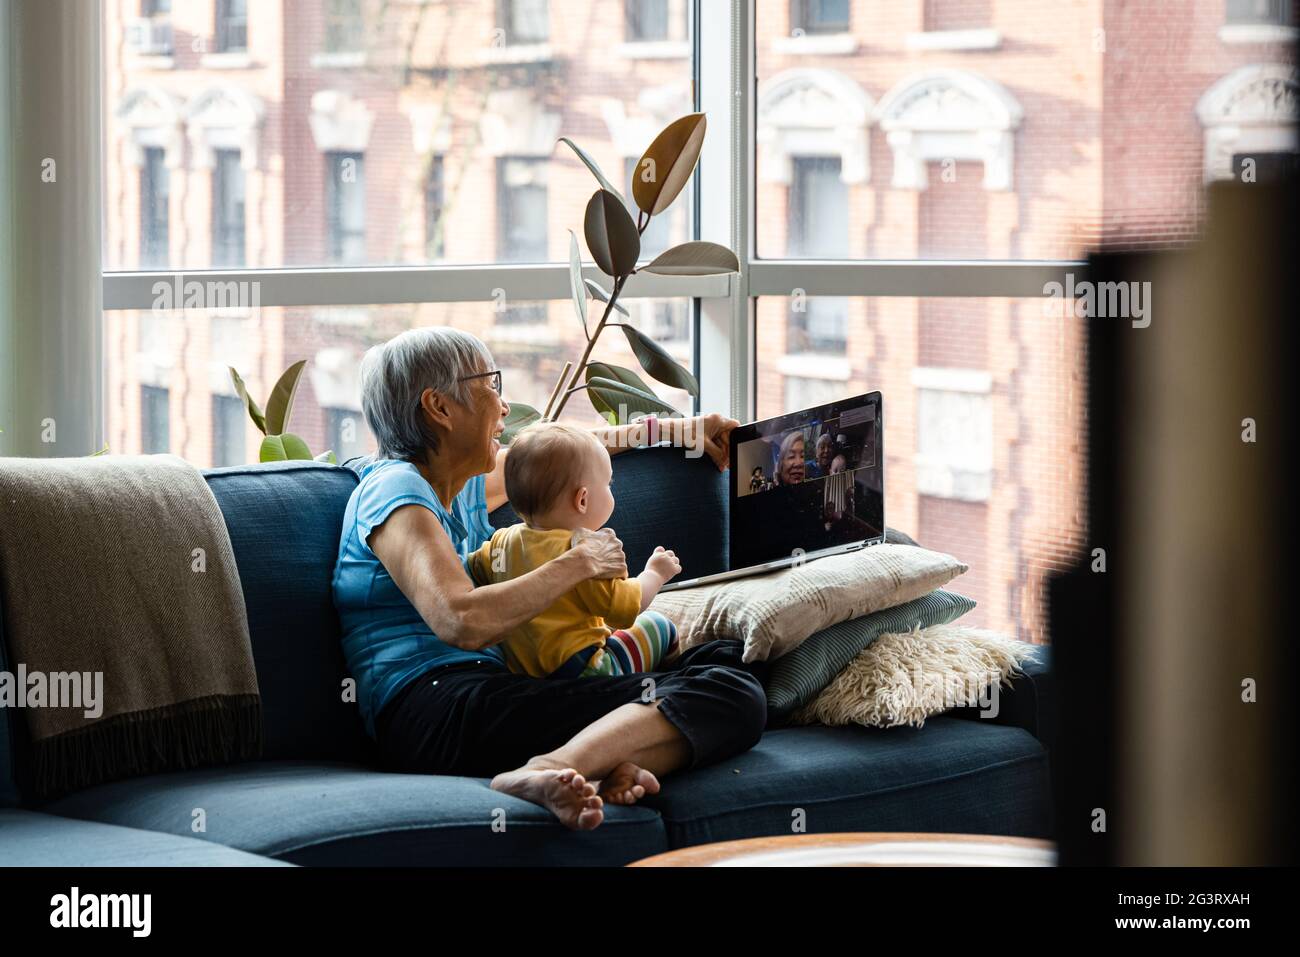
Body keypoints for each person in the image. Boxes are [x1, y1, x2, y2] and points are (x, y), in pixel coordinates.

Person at [332, 327, 765, 831]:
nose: (503, 403)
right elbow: (460, 620)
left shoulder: (461, 483)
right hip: (435, 709)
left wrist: (685, 430)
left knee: (730, 658)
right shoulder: (395, 489)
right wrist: (579, 562)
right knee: (732, 693)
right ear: (439, 408)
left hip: (495, 692)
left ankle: (608, 763)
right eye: (489, 384)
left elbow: (563, 454)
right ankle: (550, 768)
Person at [464, 421, 681, 678]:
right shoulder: (585, 553)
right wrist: (655, 574)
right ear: (583, 499)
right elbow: (627, 608)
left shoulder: (500, 543)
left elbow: (471, 570)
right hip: (588, 671)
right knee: (660, 625)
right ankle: (670, 676)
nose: (611, 490)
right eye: (608, 484)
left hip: (524, 678)